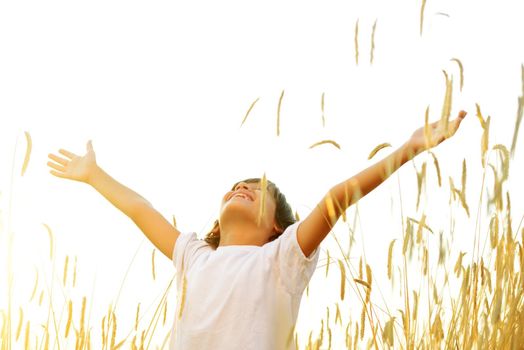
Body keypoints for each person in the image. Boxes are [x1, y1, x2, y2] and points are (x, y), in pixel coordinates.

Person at [47, 110, 467, 349]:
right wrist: (94, 174)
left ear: (277, 228)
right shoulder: (195, 257)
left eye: (256, 189)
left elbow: (336, 198)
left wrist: (410, 149)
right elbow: (141, 209)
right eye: (236, 186)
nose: (241, 188)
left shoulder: (281, 259)